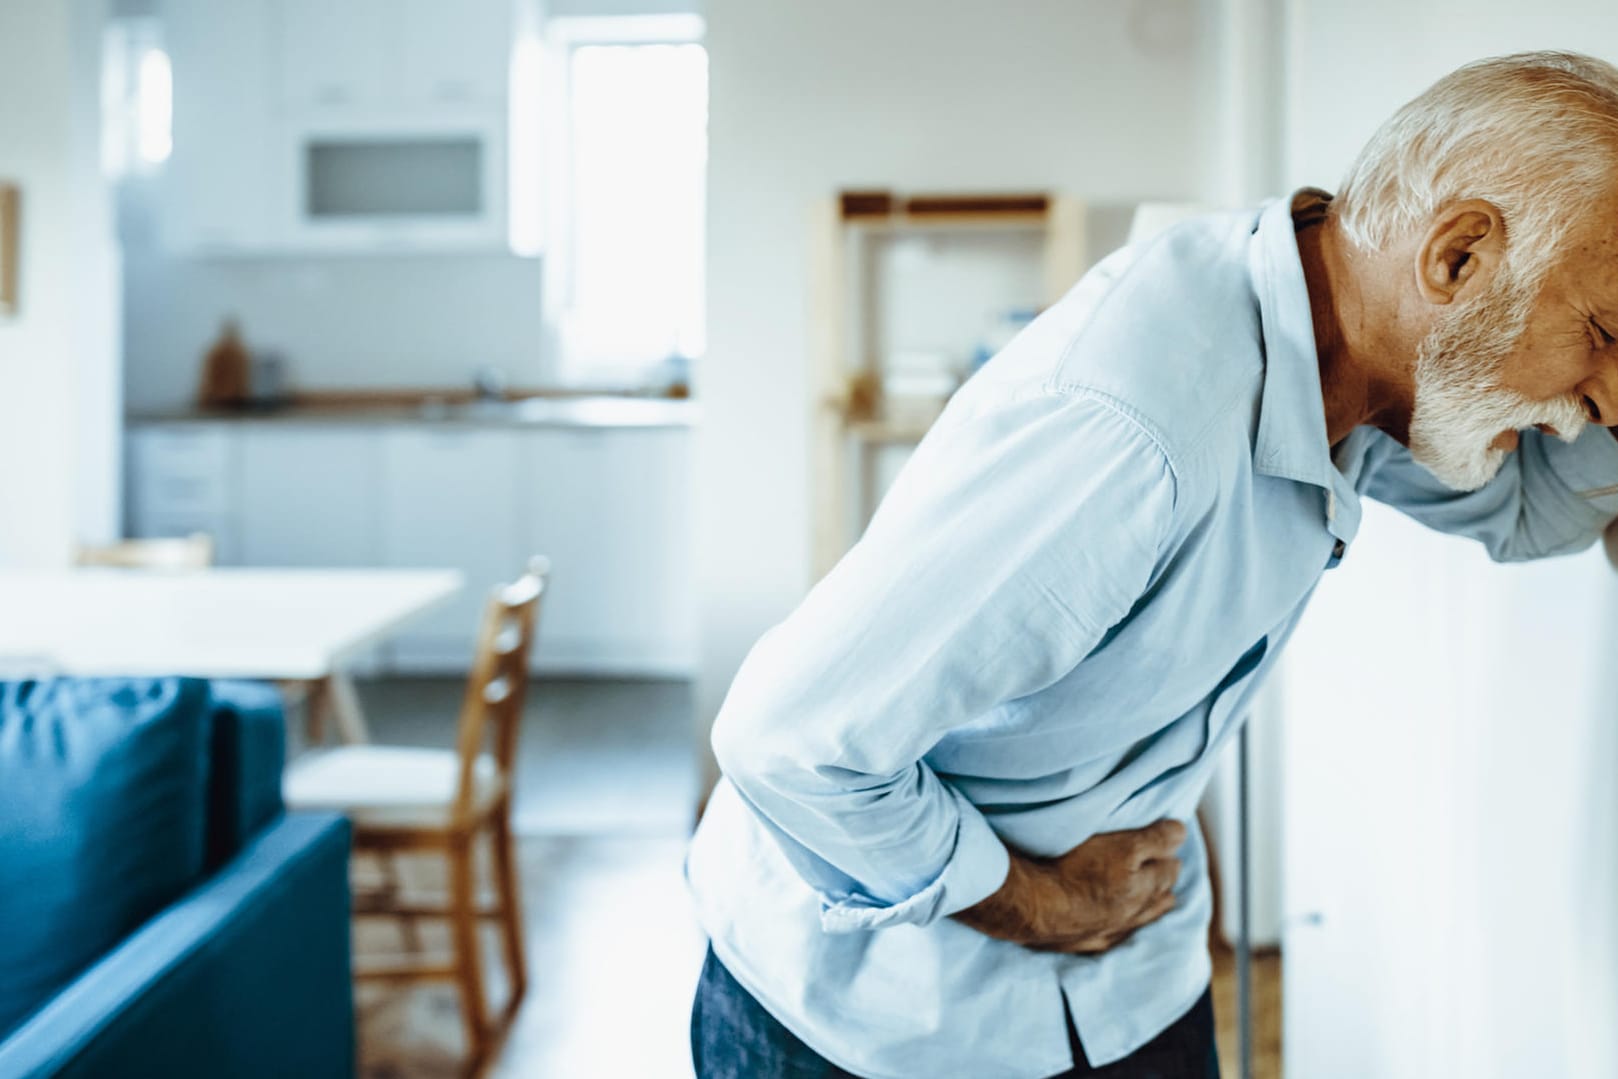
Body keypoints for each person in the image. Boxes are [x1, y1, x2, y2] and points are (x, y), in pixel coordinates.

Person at [686, 51, 1618, 1079]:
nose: (1607, 398)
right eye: (1604, 334)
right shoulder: (1129, 433)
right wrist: (1039, 900)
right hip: (893, 1012)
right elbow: (787, 740)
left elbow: (1533, 511)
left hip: (1132, 973)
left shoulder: (1352, 363)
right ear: (1456, 261)